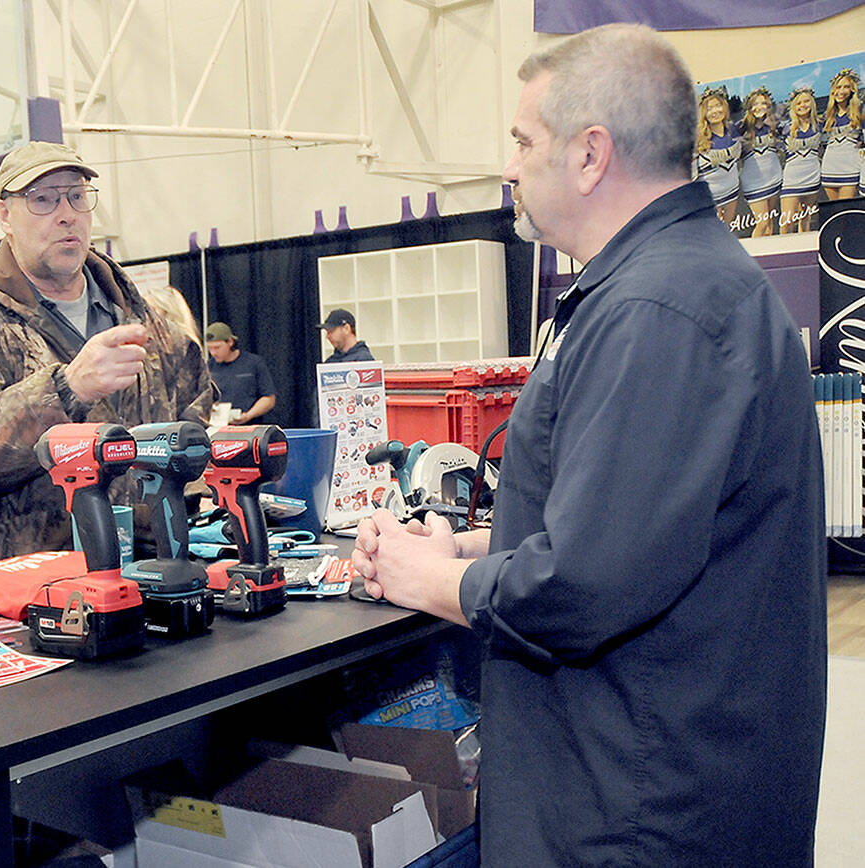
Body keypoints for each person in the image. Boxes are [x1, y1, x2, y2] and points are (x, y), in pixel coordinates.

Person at [352, 24, 825, 867]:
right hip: (666, 775)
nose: (509, 166)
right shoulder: (674, 284)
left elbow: (588, 584)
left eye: (523, 141)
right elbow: (645, 525)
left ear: (589, 154)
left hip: (637, 806)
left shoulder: (657, 309)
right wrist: (473, 542)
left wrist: (440, 579)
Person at [0, 142, 211, 561]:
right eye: (43, 200)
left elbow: (194, 419)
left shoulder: (150, 321)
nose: (66, 213)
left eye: (76, 196)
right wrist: (67, 388)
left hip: (146, 572)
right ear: (5, 216)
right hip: (23, 588)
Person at [204, 321, 276, 423]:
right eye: (210, 348)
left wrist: (248, 415)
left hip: (248, 427)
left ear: (230, 342)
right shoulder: (208, 367)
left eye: (217, 347)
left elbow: (269, 398)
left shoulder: (253, 363)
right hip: (218, 428)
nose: (213, 353)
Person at [738, 86, 782, 237]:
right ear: (749, 107)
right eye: (755, 104)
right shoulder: (742, 128)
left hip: (773, 177)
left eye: (763, 103)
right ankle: (754, 256)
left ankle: (768, 258)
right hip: (754, 181)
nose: (759, 107)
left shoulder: (774, 126)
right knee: (762, 223)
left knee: (769, 222)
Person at [694, 86, 740, 225]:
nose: (715, 111)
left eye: (718, 106)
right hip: (708, 197)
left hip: (732, 191)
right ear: (704, 113)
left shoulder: (733, 130)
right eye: (709, 108)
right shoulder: (698, 137)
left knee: (728, 228)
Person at [780, 86, 821, 233]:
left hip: (812, 176)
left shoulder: (819, 124)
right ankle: (783, 253)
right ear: (793, 106)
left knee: (806, 219)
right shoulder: (785, 128)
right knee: (787, 221)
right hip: (792, 178)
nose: (802, 105)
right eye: (798, 103)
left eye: (806, 101)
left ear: (812, 103)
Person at [821, 68, 862, 200]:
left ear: (852, 90)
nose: (841, 91)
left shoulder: (859, 111)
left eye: (846, 87)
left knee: (846, 209)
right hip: (830, 167)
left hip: (851, 167)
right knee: (835, 213)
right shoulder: (828, 116)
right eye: (838, 87)